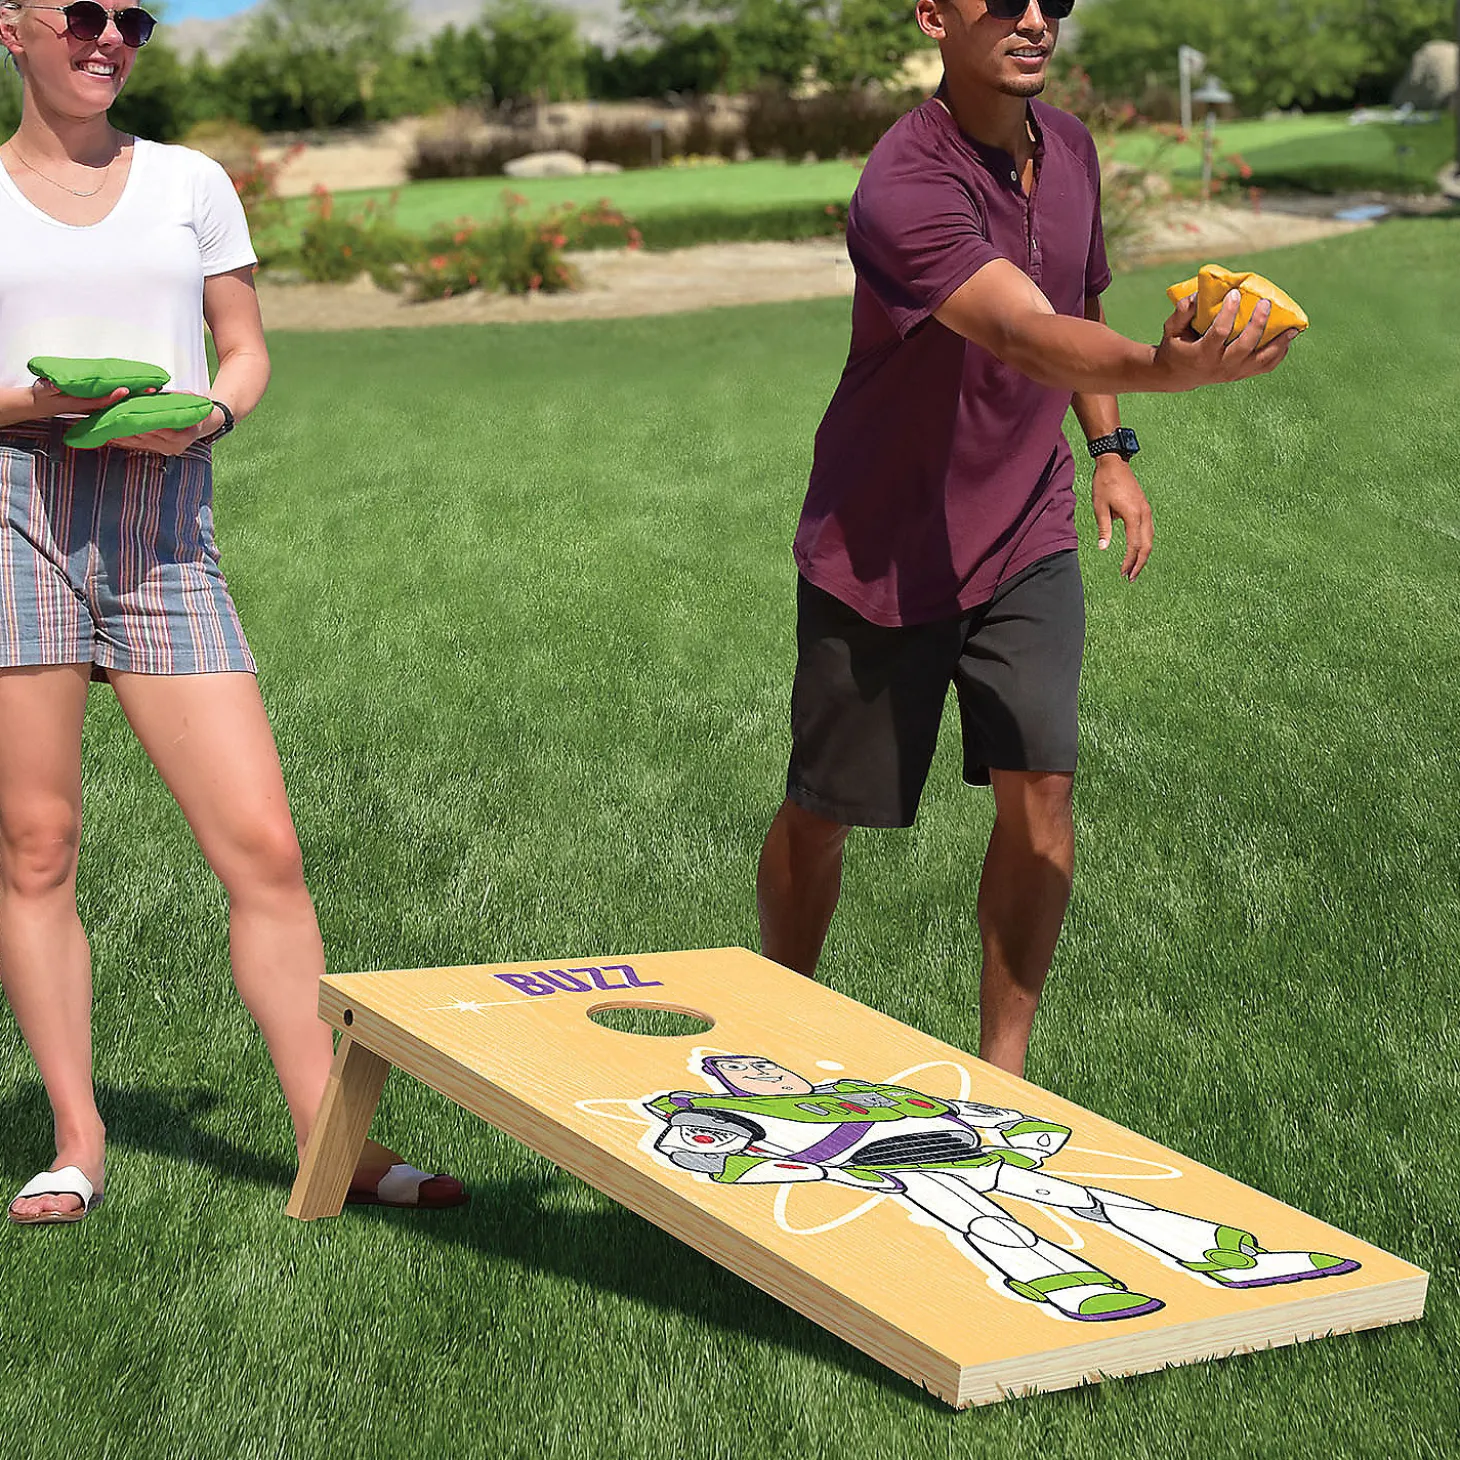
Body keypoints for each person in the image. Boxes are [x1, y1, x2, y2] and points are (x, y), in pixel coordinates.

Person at [756, 0, 1299, 1078]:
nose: (1037, 18)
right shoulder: (905, 182)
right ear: (933, 15)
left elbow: (1075, 294)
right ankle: (777, 1018)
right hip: (883, 543)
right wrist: (1164, 368)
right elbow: (1021, 329)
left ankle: (1003, 1080)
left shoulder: (1072, 148)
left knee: (1042, 789)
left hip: (1026, 522)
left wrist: (1110, 448)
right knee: (826, 812)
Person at [0, 0, 462, 1222]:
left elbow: (242, 348)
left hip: (165, 519)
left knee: (263, 847)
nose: (110, 37)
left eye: (134, 19)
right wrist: (45, 406)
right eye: (83, 13)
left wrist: (207, 412)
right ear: (12, 27)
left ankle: (332, 1138)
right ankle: (78, 1138)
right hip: (12, 510)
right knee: (37, 844)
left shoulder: (191, 183)